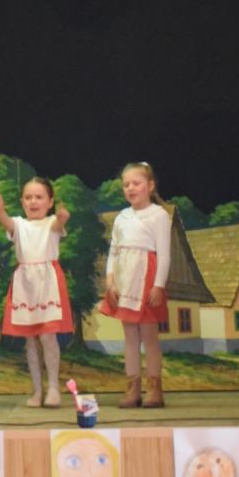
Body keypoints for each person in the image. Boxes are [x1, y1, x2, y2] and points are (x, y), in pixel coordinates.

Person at [0, 177, 72, 407]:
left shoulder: (51, 223)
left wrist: (62, 218)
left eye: (39, 197)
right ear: (22, 202)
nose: (33, 201)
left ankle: (53, 387)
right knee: (30, 340)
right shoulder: (19, 224)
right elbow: (7, 223)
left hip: (47, 283)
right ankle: (37, 390)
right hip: (25, 284)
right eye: (28, 197)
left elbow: (58, 227)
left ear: (50, 202)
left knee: (47, 336)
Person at [99, 161, 172, 408]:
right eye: (126, 184)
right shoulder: (122, 217)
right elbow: (114, 251)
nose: (130, 188)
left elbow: (164, 255)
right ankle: (133, 388)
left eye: (136, 183)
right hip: (125, 280)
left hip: (146, 279)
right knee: (130, 336)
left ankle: (155, 389)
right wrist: (111, 281)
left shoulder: (158, 215)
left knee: (149, 336)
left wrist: (158, 285)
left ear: (150, 186)